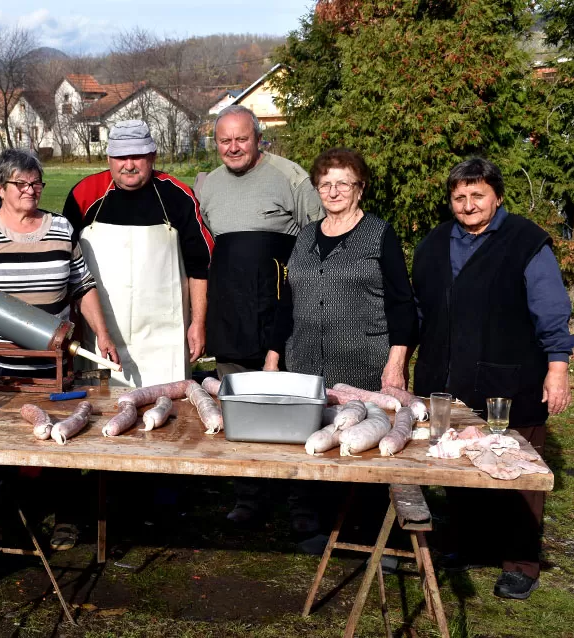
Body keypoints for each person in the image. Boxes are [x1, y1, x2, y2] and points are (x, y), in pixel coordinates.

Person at [0, 148, 118, 550]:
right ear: (0, 188)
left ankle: (67, 519)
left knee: (62, 443)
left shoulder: (60, 229)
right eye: (21, 184)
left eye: (36, 183)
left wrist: (103, 335)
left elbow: (83, 286)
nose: (31, 190)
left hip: (51, 364)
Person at [412, 158, 573, 600]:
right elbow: (420, 311)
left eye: (477, 195)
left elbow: (551, 308)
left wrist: (558, 368)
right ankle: (469, 544)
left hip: (511, 379)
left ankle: (521, 561)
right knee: (458, 466)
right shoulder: (434, 243)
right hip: (447, 379)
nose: (467, 205)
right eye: (459, 197)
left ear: (497, 196)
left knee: (518, 470)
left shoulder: (525, 242)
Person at [267, 148, 419, 539]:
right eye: (326, 184)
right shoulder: (303, 237)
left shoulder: (379, 234)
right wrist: (273, 357)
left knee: (360, 445)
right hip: (305, 364)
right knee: (313, 440)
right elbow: (288, 303)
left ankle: (365, 530)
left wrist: (396, 363)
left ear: (360, 189)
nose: (334, 191)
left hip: (363, 365)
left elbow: (403, 303)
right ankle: (312, 522)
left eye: (343, 184)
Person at [199, 105, 324, 524]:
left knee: (289, 401)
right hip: (228, 306)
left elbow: (319, 238)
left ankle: (300, 500)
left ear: (258, 139)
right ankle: (248, 497)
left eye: (242, 139)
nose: (233, 147)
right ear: (215, 143)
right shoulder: (207, 186)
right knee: (239, 400)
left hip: (279, 303)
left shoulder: (291, 176)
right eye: (224, 140)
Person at [63, 119, 213, 387]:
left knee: (167, 415)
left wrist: (198, 324)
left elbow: (200, 267)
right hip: (101, 335)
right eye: (121, 157)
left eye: (138, 156)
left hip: (164, 340)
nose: (129, 165)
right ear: (109, 158)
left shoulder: (178, 196)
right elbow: (67, 267)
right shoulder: (84, 195)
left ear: (152, 156)